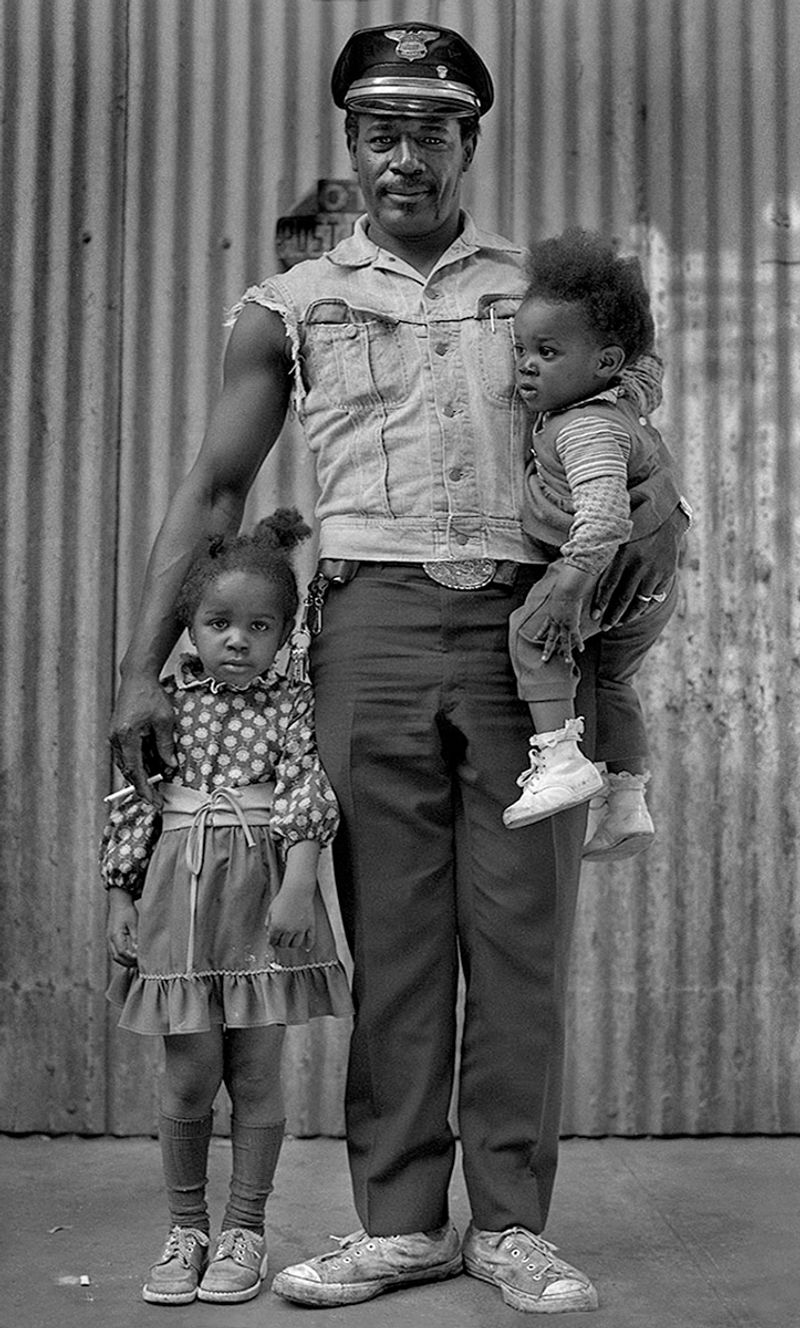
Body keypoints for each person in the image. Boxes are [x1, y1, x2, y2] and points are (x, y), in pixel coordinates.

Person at [109, 23, 689, 1316]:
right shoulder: (295, 306)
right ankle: (402, 1222)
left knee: (522, 936)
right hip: (364, 633)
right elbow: (214, 490)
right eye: (380, 132)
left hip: (522, 639)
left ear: (469, 142)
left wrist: (628, 604)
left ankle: (515, 1227)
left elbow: (624, 453)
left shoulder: (540, 299)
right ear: (350, 145)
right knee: (398, 938)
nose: (404, 156)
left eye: (431, 130)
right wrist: (139, 671)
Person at [101, 509, 351, 1307]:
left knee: (255, 1065)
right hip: (179, 898)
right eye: (218, 623)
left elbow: (309, 787)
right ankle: (186, 1229)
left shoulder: (288, 703)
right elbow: (135, 801)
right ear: (191, 627)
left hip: (260, 896)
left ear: (282, 636)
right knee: (188, 1071)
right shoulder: (167, 703)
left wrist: (300, 879)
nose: (237, 639)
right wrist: (119, 895)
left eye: (258, 626)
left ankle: (245, 1227)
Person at [501, 228, 681, 861]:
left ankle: (560, 761)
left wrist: (570, 585)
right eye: (521, 348)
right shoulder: (627, 393)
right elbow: (647, 365)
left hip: (601, 569)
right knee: (609, 680)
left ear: (603, 363)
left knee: (531, 632)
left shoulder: (584, 429)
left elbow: (603, 518)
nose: (526, 363)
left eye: (547, 351)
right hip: (651, 590)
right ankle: (626, 802)